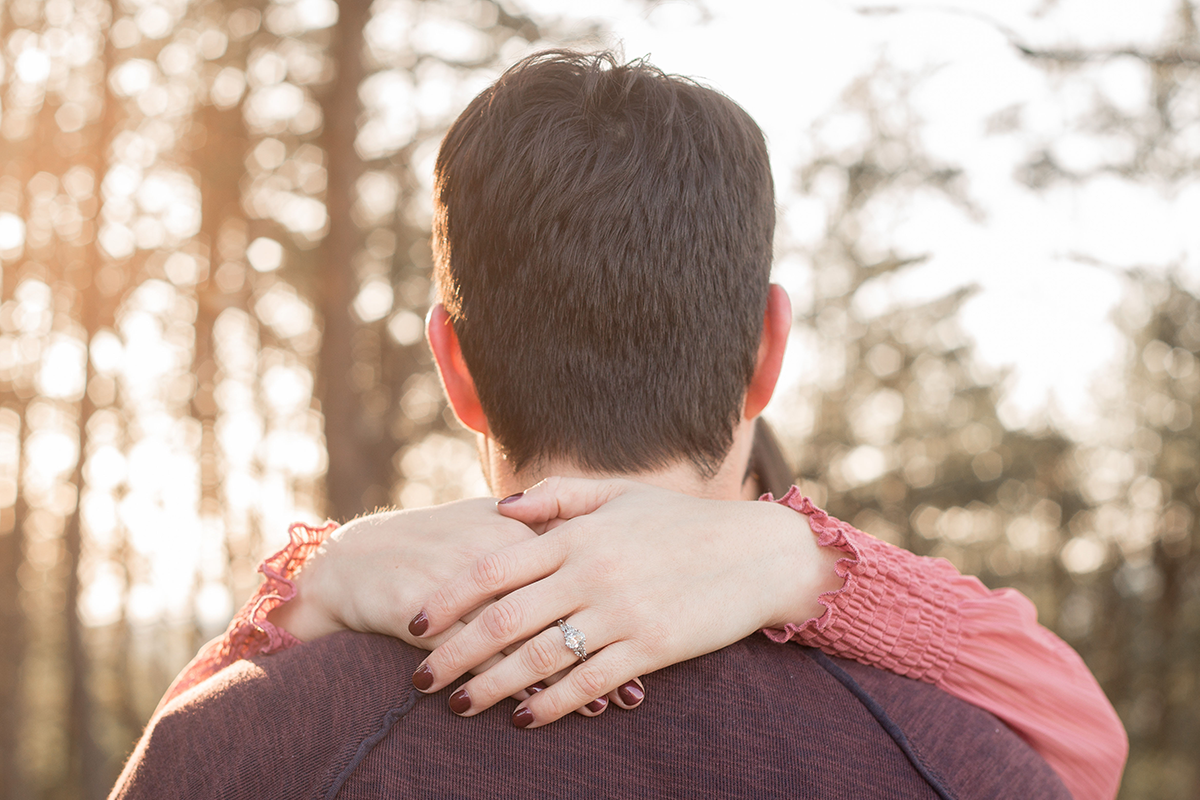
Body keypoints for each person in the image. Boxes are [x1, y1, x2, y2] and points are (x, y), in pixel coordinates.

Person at [110, 50, 1124, 799]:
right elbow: (1090, 740)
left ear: (453, 364)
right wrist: (806, 556)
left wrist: (311, 580)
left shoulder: (246, 746)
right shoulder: (970, 757)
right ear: (769, 351)